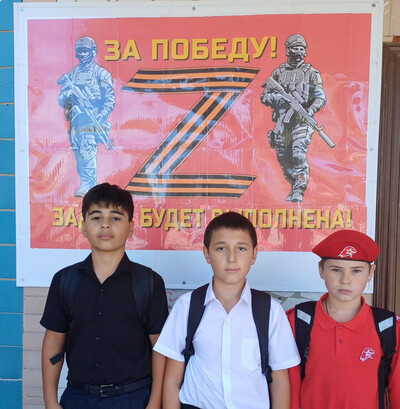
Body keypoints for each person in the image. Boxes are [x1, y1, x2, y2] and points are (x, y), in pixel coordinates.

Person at [41, 183, 168, 409]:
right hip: (78, 398)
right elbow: (54, 343)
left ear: (131, 228)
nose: (105, 224)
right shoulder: (65, 280)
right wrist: (51, 402)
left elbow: (160, 349)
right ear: (83, 227)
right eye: (96, 217)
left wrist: (154, 403)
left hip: (134, 398)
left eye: (115, 218)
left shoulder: (148, 282)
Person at [154, 211, 300, 409]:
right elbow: (172, 381)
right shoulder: (187, 306)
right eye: (221, 248)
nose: (232, 258)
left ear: (254, 254)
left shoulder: (270, 311)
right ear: (207, 253)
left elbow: (280, 382)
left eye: (241, 248)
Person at [287, 230, 400, 409]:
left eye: (356, 271)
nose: (345, 280)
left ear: (370, 273)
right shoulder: (299, 321)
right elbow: (289, 390)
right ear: (321, 269)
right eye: (336, 270)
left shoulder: (389, 327)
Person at [260, 33, 326, 202]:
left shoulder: (311, 73)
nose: (298, 51)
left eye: (301, 48)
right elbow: (264, 96)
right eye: (295, 48)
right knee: (283, 155)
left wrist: (310, 110)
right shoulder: (278, 72)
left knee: (298, 153)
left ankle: (299, 189)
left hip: (301, 121)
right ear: (288, 50)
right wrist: (279, 98)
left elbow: (320, 97)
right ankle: (293, 182)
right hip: (282, 120)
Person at [58, 37, 116, 197]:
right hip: (76, 121)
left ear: (93, 52)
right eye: (80, 51)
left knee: (87, 151)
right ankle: (85, 182)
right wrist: (68, 95)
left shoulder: (101, 73)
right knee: (78, 153)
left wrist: (101, 115)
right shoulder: (73, 74)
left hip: (92, 120)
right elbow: (61, 98)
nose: (83, 54)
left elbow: (110, 99)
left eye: (86, 51)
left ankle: (88, 184)